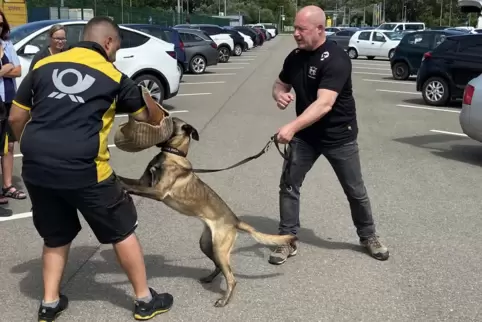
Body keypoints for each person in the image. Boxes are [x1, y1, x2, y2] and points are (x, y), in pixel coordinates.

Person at [8, 16, 173, 321]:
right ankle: (144, 300)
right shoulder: (113, 75)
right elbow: (149, 118)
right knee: (122, 229)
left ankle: (49, 303)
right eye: (117, 48)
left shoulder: (44, 65)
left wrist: (34, 148)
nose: (116, 54)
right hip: (85, 169)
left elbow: (16, 117)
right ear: (108, 42)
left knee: (55, 235)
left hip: (36, 167)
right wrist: (148, 100)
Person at [268, 5, 389, 265]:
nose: (296, 34)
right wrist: (280, 95)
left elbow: (325, 104)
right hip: (306, 136)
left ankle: (368, 236)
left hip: (339, 137)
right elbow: (280, 83)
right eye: (295, 28)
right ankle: (287, 239)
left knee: (355, 191)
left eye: (302, 29)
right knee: (289, 184)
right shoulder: (295, 56)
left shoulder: (336, 58)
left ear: (320, 29)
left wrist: (290, 127)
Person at [0, 10, 26, 202]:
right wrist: (6, 68)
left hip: (9, 99)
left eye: (1, 24)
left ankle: (8, 186)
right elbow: (11, 68)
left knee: (8, 145)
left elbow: (17, 70)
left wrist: (4, 70)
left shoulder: (7, 45)